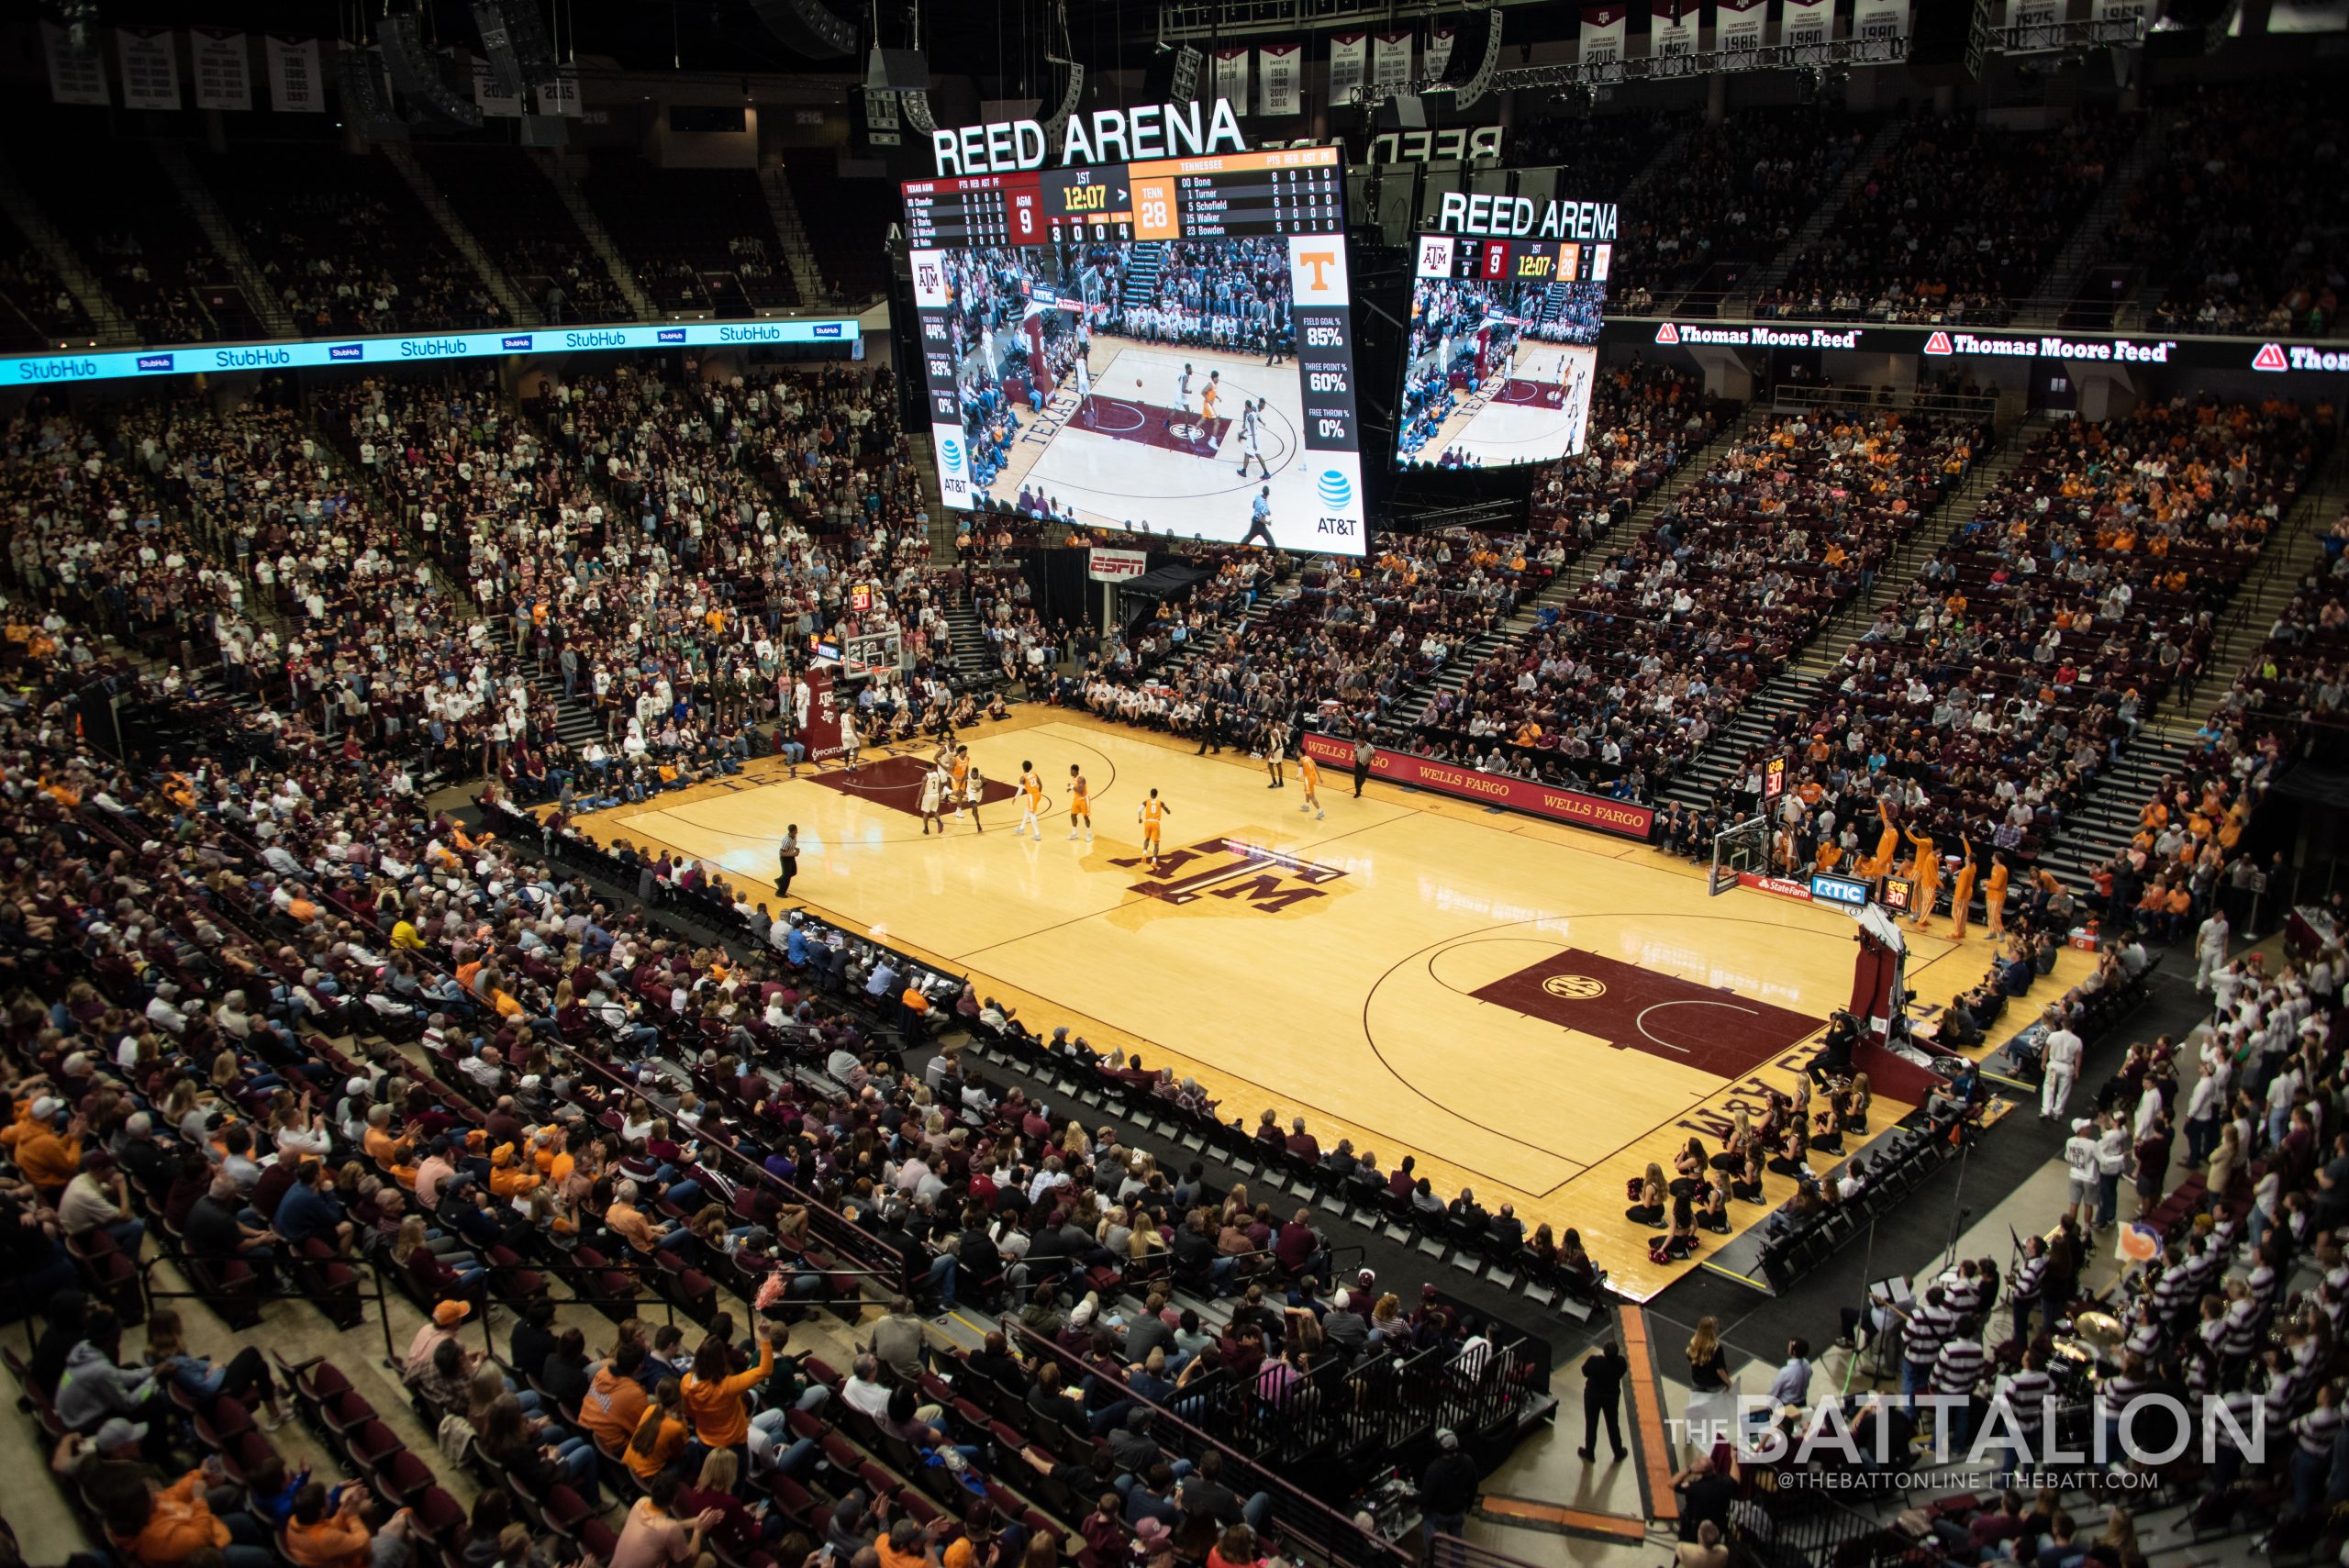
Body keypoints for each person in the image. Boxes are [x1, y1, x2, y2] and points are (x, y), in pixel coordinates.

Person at [610, 1473, 721, 1568]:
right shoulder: (669, 1528)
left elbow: (662, 1528)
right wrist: (698, 1531)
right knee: (708, 1559)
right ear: (674, 1499)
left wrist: (696, 1521)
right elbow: (690, 1563)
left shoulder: (641, 1503)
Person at [1418, 1429, 1478, 1558]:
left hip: (1437, 1515)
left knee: (1433, 1547)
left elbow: (1425, 1498)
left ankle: (1432, 1561)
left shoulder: (1434, 1469)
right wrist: (1468, 1505)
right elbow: (1474, 1486)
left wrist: (1409, 1499)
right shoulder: (1468, 1461)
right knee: (1457, 1548)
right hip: (1458, 1512)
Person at [1577, 1340, 1627, 1462]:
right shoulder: (1621, 1363)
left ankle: (1589, 1453)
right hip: (1611, 1398)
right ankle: (1618, 1452)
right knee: (1613, 1425)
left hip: (1592, 1396)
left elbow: (1585, 1371)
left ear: (1604, 1352)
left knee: (1591, 1424)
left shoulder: (1594, 1361)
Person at [2040, 1010, 2083, 1120]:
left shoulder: (2053, 1035)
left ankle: (2046, 1110)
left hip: (2054, 1065)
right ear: (2073, 1026)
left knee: (2049, 1087)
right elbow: (2078, 1057)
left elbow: (2046, 1050)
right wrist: (2077, 1070)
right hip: (2067, 1067)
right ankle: (2057, 1112)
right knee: (2063, 1091)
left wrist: (2043, 1062)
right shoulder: (2077, 1041)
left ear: (2062, 1024)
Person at [1139, 788, 1170, 868]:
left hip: (1147, 822)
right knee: (1156, 844)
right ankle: (1154, 861)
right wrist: (1168, 811)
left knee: (1147, 839)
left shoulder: (1146, 802)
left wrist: (1139, 818)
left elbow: (1139, 810)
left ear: (1150, 794)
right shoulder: (1160, 802)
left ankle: (1144, 856)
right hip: (1155, 823)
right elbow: (1167, 811)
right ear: (1157, 794)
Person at [1017, 761, 1045, 840]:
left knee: (1032, 814)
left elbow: (1020, 791)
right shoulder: (1034, 774)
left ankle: (1037, 834)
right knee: (1027, 809)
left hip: (1032, 796)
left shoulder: (1023, 778)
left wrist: (1015, 797)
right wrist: (1037, 794)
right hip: (1037, 794)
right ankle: (1022, 828)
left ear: (1023, 768)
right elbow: (1041, 784)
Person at [1241, 486, 1275, 550]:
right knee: (1271, 543)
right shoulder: (1264, 505)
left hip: (1254, 520)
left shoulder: (1258, 496)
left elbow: (1254, 506)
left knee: (1248, 537)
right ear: (1268, 494)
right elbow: (1260, 518)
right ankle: (1271, 553)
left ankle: (1240, 547)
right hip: (1260, 525)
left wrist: (1265, 511)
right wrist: (1268, 523)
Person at [920, 764, 949, 837]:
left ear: (926, 768)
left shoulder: (925, 777)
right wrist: (939, 795)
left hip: (928, 795)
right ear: (932, 768)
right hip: (936, 795)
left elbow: (922, 790)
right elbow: (940, 785)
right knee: (934, 811)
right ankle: (939, 822)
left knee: (925, 812)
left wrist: (918, 800)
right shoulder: (937, 774)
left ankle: (926, 829)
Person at [1297, 748, 1324, 821]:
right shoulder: (1309, 758)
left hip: (1308, 779)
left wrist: (1297, 776)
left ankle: (1320, 811)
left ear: (1301, 753)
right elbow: (1316, 767)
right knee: (1307, 791)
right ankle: (1306, 805)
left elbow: (1300, 774)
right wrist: (1319, 778)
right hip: (1314, 777)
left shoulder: (1299, 761)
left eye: (1298, 751)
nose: (1297, 753)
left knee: (1312, 796)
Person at [1067, 765, 1093, 843]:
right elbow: (1076, 787)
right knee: (1073, 815)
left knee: (1085, 817)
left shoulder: (1081, 778)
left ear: (1075, 771)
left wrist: (1071, 786)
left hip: (1084, 800)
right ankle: (1074, 833)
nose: (1070, 772)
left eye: (1071, 771)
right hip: (1077, 799)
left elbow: (1081, 790)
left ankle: (1089, 834)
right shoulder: (1074, 778)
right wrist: (1070, 788)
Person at [776, 825, 799, 900]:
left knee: (793, 872)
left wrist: (795, 848)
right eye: (796, 830)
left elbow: (792, 845)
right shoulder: (786, 840)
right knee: (787, 876)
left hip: (790, 857)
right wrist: (793, 854)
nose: (797, 831)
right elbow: (781, 853)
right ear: (792, 831)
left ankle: (779, 880)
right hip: (785, 858)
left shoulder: (794, 836)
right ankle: (780, 893)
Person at [1352, 733, 1375, 798]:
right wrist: (1354, 755)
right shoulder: (1356, 744)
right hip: (1358, 762)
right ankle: (1358, 792)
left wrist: (1367, 761)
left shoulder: (1369, 747)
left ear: (1363, 741)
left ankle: (1359, 787)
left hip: (1365, 764)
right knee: (1356, 778)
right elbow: (1355, 751)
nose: (1357, 742)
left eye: (1358, 741)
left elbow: (1374, 754)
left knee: (1362, 779)